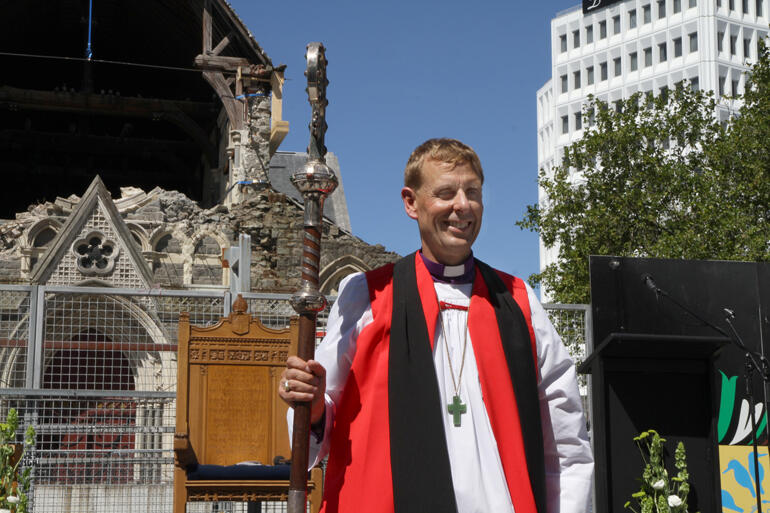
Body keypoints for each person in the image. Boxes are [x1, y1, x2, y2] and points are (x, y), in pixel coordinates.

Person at [279, 138, 593, 513]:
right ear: (411, 202)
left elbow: (565, 441)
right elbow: (322, 414)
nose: (462, 205)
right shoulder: (367, 297)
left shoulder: (518, 302)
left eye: (472, 192)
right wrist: (312, 406)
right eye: (446, 192)